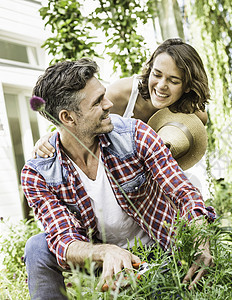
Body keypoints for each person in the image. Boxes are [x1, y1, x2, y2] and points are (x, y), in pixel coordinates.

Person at [21, 58, 216, 299]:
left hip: (160, 253)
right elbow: (62, 239)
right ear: (68, 118)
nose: (109, 104)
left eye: (104, 94)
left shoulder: (135, 134)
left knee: (162, 292)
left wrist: (199, 236)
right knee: (37, 247)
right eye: (97, 102)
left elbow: (182, 190)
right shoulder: (39, 173)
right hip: (102, 259)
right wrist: (106, 253)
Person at [32, 38, 209, 170]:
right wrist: (50, 137)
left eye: (174, 80)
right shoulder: (121, 94)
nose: (161, 85)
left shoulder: (193, 113)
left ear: (187, 87)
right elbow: (82, 117)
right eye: (157, 74)